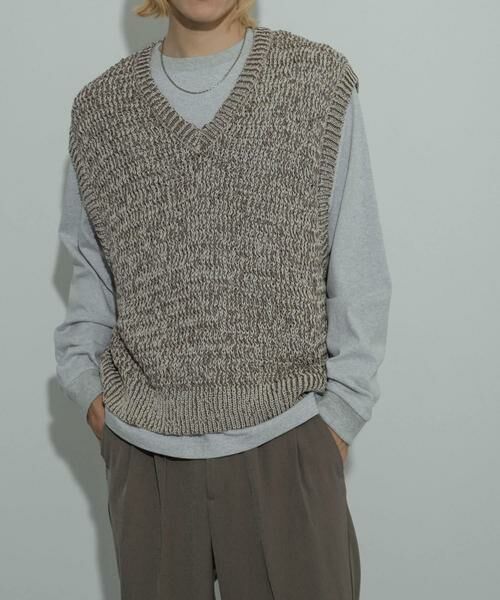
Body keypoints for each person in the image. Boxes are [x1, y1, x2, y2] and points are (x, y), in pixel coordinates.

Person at [53, 1, 392, 598]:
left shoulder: (316, 83)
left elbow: (358, 267)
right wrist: (89, 390)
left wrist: (337, 420)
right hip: (148, 460)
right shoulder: (101, 111)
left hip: (289, 449)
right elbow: (91, 276)